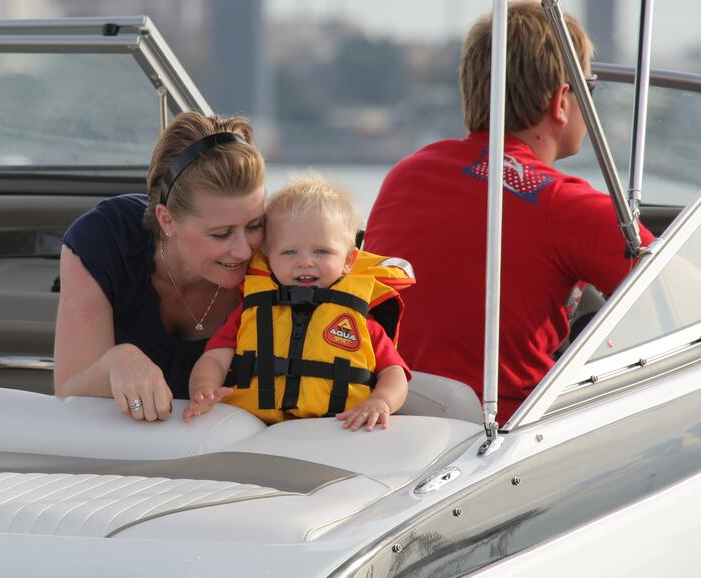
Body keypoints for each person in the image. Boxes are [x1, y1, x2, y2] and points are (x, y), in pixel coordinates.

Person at [364, 1, 655, 424]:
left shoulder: (405, 175)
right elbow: (679, 301)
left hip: (393, 415)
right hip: (505, 434)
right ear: (561, 102)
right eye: (588, 89)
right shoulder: (564, 204)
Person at [54, 111, 267, 421]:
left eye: (255, 225)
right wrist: (116, 362)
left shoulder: (284, 252)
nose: (245, 250)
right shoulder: (105, 240)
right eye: (221, 234)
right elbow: (67, 392)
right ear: (167, 220)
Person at [185, 176, 414, 432]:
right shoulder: (251, 310)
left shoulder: (361, 320)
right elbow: (215, 358)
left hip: (336, 428)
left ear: (348, 260)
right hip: (252, 426)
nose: (305, 262)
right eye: (289, 252)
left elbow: (394, 372)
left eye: (321, 251)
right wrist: (203, 388)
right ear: (268, 258)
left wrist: (380, 401)